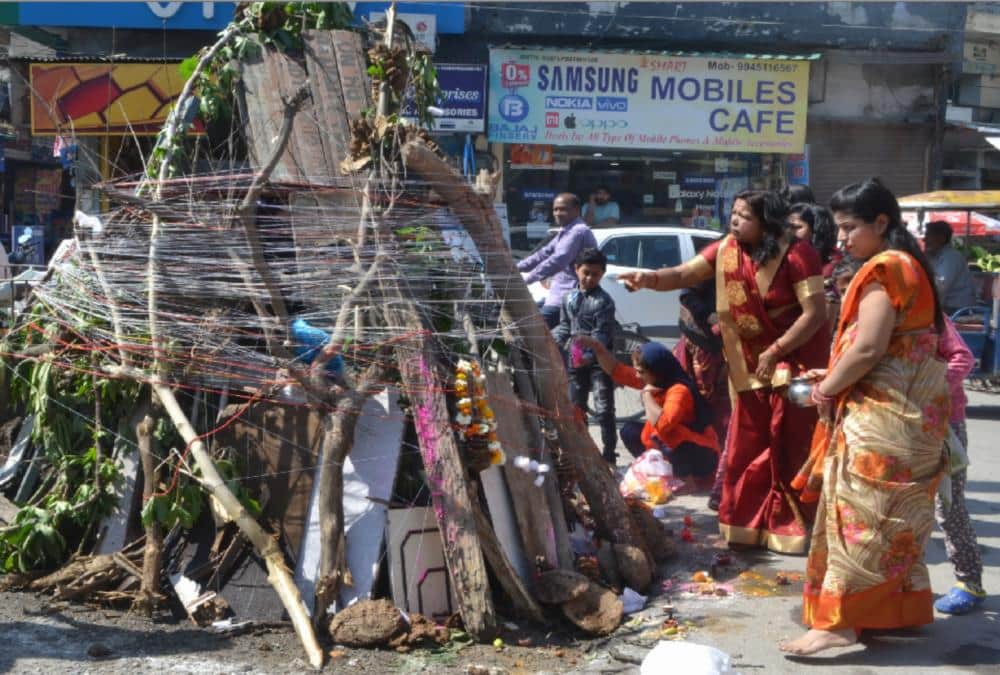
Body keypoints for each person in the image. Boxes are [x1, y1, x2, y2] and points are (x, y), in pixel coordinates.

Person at [782, 177, 950, 656]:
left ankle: (840, 623)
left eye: (850, 228)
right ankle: (896, 611)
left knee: (858, 520)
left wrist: (824, 388)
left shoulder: (885, 269)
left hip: (882, 421)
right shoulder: (911, 266)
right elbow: (893, 347)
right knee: (894, 523)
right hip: (913, 417)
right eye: (838, 228)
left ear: (882, 223)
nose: (842, 239)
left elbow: (870, 347)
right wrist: (835, 369)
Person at [619, 190, 829, 553]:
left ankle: (790, 524)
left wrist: (776, 350)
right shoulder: (727, 249)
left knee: (787, 444)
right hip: (745, 364)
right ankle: (748, 524)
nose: (735, 221)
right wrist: (648, 278)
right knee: (749, 444)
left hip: (789, 360)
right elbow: (685, 274)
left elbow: (814, 315)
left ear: (767, 220)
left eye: (744, 216)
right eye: (733, 213)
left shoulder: (798, 253)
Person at [577, 337, 719, 490]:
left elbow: (664, 426)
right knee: (629, 431)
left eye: (641, 372)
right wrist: (597, 347)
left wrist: (646, 396)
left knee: (666, 434)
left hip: (702, 456)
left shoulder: (679, 390)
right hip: (672, 447)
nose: (637, 376)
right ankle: (659, 470)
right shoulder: (655, 380)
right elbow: (615, 370)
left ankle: (688, 481)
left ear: (656, 371)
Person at [934, 314, 987, 615]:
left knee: (949, 505)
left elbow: (962, 358)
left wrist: (928, 389)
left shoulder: (932, 318)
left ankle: (970, 583)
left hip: (946, 424)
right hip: (899, 425)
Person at [551, 248, 618, 463]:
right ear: (576, 269)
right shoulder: (568, 298)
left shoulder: (604, 301)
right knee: (576, 407)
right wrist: (551, 339)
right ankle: (585, 452)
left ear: (602, 274)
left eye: (595, 274)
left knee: (604, 409)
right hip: (575, 360)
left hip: (599, 362)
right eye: (586, 272)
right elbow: (564, 326)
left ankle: (609, 455)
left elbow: (603, 333)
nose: (589, 278)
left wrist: (590, 353)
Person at [671, 280, 731, 510]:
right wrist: (711, 318)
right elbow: (686, 293)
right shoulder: (713, 265)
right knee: (703, 406)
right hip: (705, 345)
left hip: (710, 347)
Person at [518, 193, 597, 328]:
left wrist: (528, 279)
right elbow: (543, 254)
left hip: (570, 295)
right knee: (525, 320)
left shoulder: (577, 232)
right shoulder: (566, 230)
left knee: (534, 331)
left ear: (576, 211)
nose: (558, 213)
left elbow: (558, 260)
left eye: (563, 209)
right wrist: (516, 267)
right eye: (555, 209)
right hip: (557, 294)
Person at [923, 220, 977, 316]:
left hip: (956, 308)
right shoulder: (935, 255)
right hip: (948, 305)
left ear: (941, 238)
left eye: (928, 235)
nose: (924, 239)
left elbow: (941, 286)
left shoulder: (950, 257)